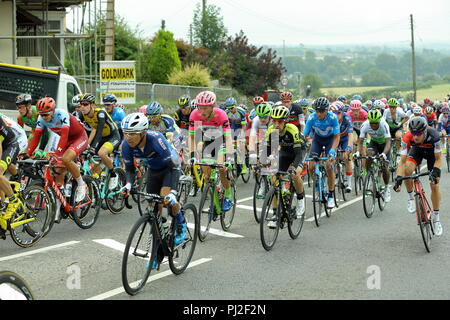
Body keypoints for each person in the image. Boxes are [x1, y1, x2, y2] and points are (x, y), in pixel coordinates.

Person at [120, 113, 186, 253]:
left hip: (170, 168)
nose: (128, 137)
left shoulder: (156, 140)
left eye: (133, 134)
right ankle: (160, 241)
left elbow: (173, 166)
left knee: (165, 198)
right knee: (152, 207)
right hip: (154, 171)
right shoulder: (126, 145)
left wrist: (173, 192)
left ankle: (181, 222)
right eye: (126, 133)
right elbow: (130, 170)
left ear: (143, 133)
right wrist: (128, 184)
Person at [26, 97, 89, 212]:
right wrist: (27, 153)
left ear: (53, 111)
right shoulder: (41, 118)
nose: (44, 117)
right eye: (41, 114)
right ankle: (61, 198)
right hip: (66, 140)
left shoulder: (62, 114)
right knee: (57, 169)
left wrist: (57, 154)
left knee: (65, 159)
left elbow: (64, 135)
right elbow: (36, 137)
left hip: (79, 137)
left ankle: (81, 184)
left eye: (46, 114)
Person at [394, 116, 443, 236]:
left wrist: (435, 171)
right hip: (417, 152)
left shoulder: (434, 136)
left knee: (434, 184)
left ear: (425, 131)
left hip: (432, 155)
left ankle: (436, 218)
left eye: (419, 133)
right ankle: (411, 197)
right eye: (413, 133)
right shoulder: (407, 137)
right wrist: (398, 179)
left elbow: (438, 159)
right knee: (407, 170)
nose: (415, 136)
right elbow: (402, 162)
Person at [189, 91, 234, 212]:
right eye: (200, 107)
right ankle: (214, 202)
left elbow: (228, 137)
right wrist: (192, 155)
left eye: (205, 108)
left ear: (212, 106)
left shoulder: (221, 115)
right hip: (207, 142)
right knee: (207, 177)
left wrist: (229, 158)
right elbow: (192, 137)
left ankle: (228, 194)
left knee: (220, 168)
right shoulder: (195, 115)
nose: (202, 111)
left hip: (221, 141)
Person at [265, 105, 306, 227]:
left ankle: (300, 200)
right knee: (273, 179)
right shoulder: (271, 130)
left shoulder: (292, 129)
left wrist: (294, 167)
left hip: (298, 152)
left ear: (286, 121)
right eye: (274, 121)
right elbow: (268, 151)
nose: (277, 124)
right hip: (285, 152)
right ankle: (275, 214)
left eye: (280, 121)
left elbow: (298, 154)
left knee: (295, 174)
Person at [77, 93, 121, 187]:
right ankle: (97, 183)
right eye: (81, 104)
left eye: (85, 104)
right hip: (102, 138)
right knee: (91, 161)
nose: (82, 107)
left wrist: (92, 147)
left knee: (101, 153)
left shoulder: (100, 113)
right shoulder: (82, 115)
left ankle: (113, 174)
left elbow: (99, 131)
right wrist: (84, 145)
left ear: (92, 105)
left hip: (113, 136)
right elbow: (82, 131)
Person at [304, 97, 340, 208]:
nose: (319, 114)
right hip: (317, 140)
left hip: (330, 141)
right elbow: (304, 134)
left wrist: (333, 150)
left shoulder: (333, 117)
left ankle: (330, 195)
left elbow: (337, 136)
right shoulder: (311, 117)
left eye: (322, 111)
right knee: (311, 166)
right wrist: (305, 142)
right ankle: (316, 184)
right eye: (317, 111)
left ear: (327, 110)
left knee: (329, 166)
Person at [355, 109, 392, 202]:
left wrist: (383, 154)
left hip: (384, 145)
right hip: (374, 142)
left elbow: (388, 142)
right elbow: (360, 141)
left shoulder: (384, 124)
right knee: (368, 155)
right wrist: (358, 152)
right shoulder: (365, 125)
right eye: (372, 123)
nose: (373, 125)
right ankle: (369, 177)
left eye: (376, 123)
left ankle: (387, 188)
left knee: (385, 168)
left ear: (379, 120)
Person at [329, 102, 354, 192]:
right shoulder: (330, 119)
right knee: (332, 158)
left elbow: (350, 135)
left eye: (338, 112)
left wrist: (349, 147)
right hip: (335, 138)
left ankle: (349, 183)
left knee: (346, 157)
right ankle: (335, 176)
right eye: (333, 113)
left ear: (343, 112)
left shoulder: (347, 118)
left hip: (344, 138)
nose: (335, 115)